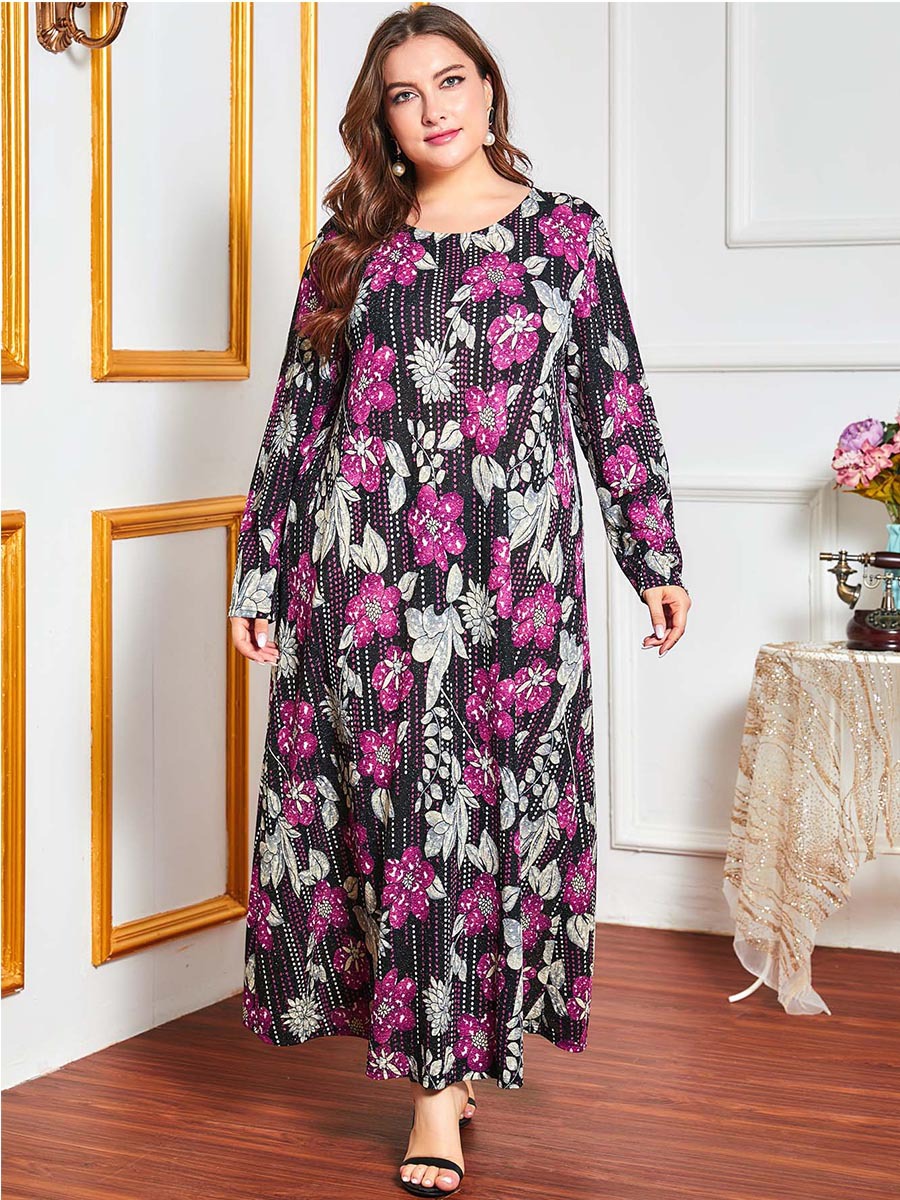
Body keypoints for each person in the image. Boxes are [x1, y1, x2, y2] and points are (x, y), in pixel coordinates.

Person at [227, 5, 691, 1195]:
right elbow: (298, 416)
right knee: (406, 824)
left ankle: (461, 1042)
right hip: (364, 580)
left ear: (488, 90)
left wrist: (653, 557)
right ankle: (436, 1091)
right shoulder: (352, 247)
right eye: (404, 93)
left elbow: (613, 400)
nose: (432, 107)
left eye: (450, 80)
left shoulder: (566, 236)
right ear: (381, 120)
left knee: (489, 818)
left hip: (515, 593)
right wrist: (261, 569)